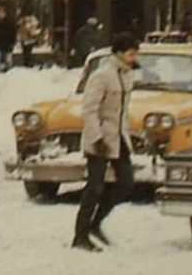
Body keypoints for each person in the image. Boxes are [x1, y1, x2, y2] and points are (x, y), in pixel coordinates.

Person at [73, 33, 139, 252]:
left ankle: (96, 223)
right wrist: (96, 138)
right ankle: (80, 235)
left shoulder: (128, 75)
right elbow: (89, 109)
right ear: (119, 53)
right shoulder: (102, 76)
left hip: (119, 137)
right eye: (130, 53)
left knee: (126, 183)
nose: (133, 58)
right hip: (100, 139)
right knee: (94, 188)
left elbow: (122, 111)